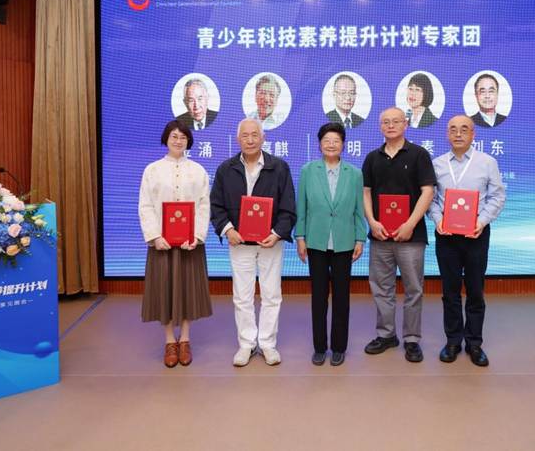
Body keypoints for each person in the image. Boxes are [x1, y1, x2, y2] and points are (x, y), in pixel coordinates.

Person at [210, 118, 296, 366]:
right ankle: (246, 344)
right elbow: (216, 206)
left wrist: (277, 233)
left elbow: (289, 206)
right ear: (238, 139)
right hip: (239, 243)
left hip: (271, 242)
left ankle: (267, 344)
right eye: (245, 136)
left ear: (263, 138)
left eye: (254, 135)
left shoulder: (279, 167)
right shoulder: (226, 169)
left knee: (272, 295)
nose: (250, 140)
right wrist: (228, 230)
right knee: (242, 296)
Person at [428, 115, 505, 367]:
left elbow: (497, 197)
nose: (458, 134)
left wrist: (480, 222)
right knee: (450, 291)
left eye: (464, 129)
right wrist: (438, 219)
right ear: (447, 134)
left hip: (476, 236)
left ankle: (474, 343)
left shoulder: (487, 162)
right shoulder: (437, 164)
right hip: (446, 237)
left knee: (475, 291)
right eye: (453, 129)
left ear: (473, 134)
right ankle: (452, 341)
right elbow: (430, 199)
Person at [361, 107, 436, 362]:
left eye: (395, 121)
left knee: (413, 289)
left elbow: (428, 191)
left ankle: (412, 339)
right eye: (385, 122)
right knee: (382, 288)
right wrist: (372, 222)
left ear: (406, 124)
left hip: (411, 237)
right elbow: (366, 192)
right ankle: (386, 335)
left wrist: (410, 224)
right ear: (380, 126)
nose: (390, 125)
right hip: (380, 236)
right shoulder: (372, 158)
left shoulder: (419, 154)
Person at [138, 120, 212, 368]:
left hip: (190, 244)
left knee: (188, 290)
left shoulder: (198, 171)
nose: (178, 141)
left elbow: (204, 205)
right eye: (174, 136)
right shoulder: (152, 170)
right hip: (163, 244)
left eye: (183, 137)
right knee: (165, 291)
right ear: (166, 139)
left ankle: (185, 339)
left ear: (188, 140)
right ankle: (170, 340)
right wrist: (155, 236)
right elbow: (145, 205)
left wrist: (197, 236)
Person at [295, 123, 367, 366]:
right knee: (318, 297)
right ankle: (319, 347)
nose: (331, 144)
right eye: (326, 140)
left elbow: (358, 209)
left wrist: (360, 238)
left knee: (341, 297)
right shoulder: (308, 171)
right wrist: (300, 237)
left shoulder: (354, 173)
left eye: (336, 140)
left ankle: (338, 347)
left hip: (344, 242)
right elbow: (302, 207)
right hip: (315, 241)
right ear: (319, 144)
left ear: (343, 144)